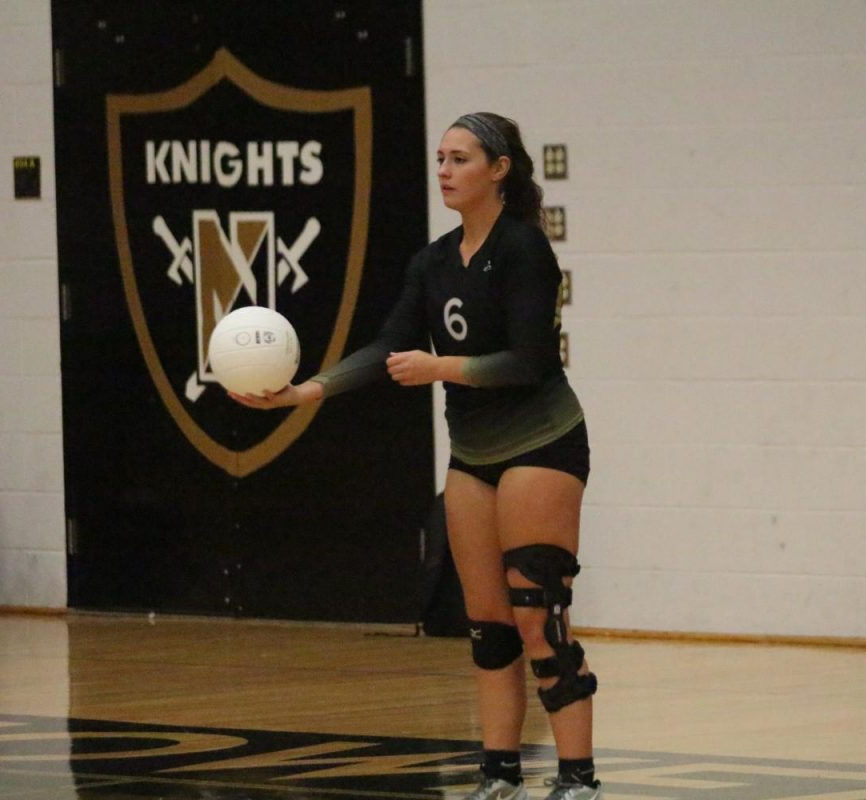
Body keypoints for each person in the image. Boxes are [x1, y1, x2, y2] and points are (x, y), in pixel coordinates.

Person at [230, 112, 599, 800]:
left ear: (498, 169)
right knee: (488, 627)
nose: (444, 171)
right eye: (439, 159)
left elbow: (528, 362)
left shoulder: (523, 250)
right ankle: (499, 777)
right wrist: (304, 391)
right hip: (473, 454)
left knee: (536, 617)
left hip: (541, 443)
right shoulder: (432, 261)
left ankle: (578, 780)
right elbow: (387, 348)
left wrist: (442, 368)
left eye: (459, 159)